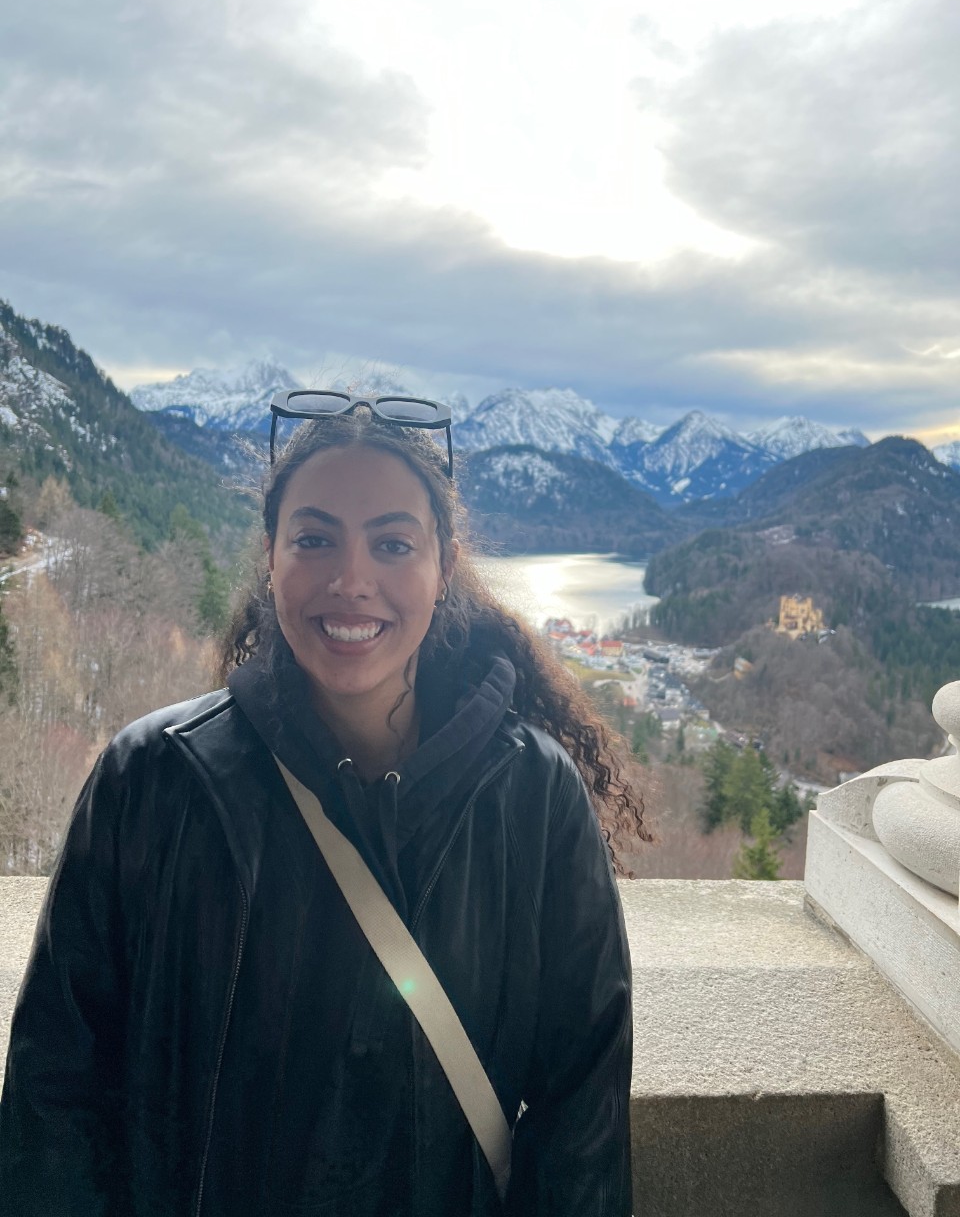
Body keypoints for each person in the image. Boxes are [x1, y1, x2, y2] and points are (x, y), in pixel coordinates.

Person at [0, 392, 644, 1216]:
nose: (351, 580)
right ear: (270, 556)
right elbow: (56, 1091)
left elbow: (582, 1118)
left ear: (444, 567)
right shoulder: (153, 780)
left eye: (392, 543)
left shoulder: (534, 799)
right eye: (314, 538)